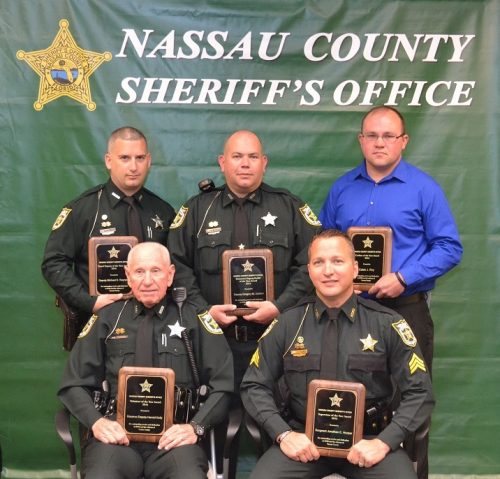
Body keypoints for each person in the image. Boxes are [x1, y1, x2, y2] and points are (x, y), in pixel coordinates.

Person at [318, 106, 462, 478]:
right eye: (372, 135)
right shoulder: (342, 188)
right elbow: (325, 244)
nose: (379, 143)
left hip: (405, 310)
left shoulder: (424, 189)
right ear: (361, 140)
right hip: (349, 313)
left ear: (404, 141)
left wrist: (404, 276)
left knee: (409, 404)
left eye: (388, 136)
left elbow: (449, 247)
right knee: (349, 400)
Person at [240, 229, 434, 479]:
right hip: (303, 442)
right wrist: (284, 434)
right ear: (309, 270)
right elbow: (254, 385)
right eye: (318, 262)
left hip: (370, 442)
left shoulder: (387, 323)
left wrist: (385, 442)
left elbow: (420, 391)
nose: (328, 270)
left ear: (355, 269)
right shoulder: (287, 324)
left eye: (337, 261)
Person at [58, 242, 234, 479]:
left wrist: (196, 427)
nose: (147, 280)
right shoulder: (107, 319)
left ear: (170, 275)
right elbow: (73, 383)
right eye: (139, 272)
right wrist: (97, 423)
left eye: (156, 271)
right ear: (128, 277)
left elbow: (223, 385)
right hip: (117, 436)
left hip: (174, 438)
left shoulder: (195, 318)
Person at [167, 129, 321, 389]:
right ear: (222, 162)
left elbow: (312, 264)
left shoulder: (289, 207)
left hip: (277, 339)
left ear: (264, 163)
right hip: (213, 339)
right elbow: (176, 267)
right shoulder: (196, 210)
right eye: (237, 156)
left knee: (271, 415)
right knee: (215, 414)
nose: (245, 163)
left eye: (253, 156)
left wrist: (279, 306)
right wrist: (204, 313)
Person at [42, 126, 176, 348]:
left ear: (149, 161)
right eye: (124, 158)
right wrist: (90, 302)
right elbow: (53, 263)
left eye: (140, 158)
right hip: (99, 326)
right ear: (108, 160)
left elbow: (176, 267)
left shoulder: (162, 211)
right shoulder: (83, 209)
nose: (133, 166)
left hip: (155, 327)